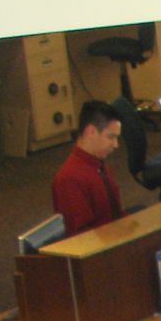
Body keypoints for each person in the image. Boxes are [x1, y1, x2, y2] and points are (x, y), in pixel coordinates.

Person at [51, 101, 125, 235]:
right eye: (111, 137)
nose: (116, 144)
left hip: (113, 236)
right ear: (91, 132)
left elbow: (115, 214)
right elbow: (80, 237)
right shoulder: (69, 178)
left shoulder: (97, 164)